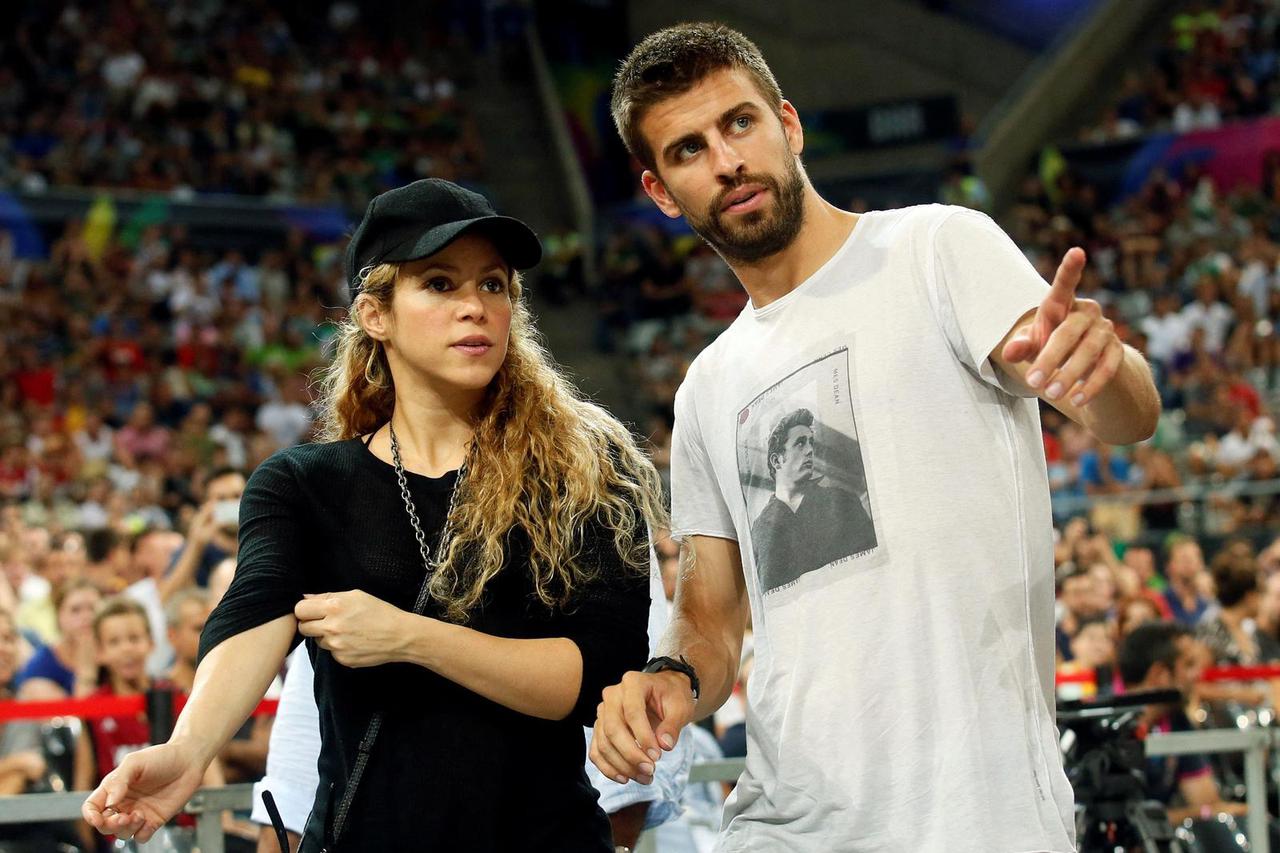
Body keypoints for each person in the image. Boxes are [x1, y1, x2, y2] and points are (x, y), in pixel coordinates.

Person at [591, 23, 1160, 852]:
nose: (726, 160)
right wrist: (670, 674)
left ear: (787, 125)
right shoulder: (707, 387)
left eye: (740, 124)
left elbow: (1125, 415)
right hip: (787, 818)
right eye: (689, 148)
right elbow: (710, 614)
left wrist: (1105, 372)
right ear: (662, 191)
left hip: (975, 812)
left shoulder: (937, 248)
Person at [83, 178, 667, 852]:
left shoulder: (585, 468)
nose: (474, 307)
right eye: (440, 284)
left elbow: (597, 668)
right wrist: (188, 749)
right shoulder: (304, 483)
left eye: (494, 285)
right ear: (375, 313)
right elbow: (253, 614)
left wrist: (410, 637)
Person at [1118, 621, 1246, 823]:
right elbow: (1121, 823)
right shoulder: (1107, 729)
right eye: (1188, 665)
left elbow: (1207, 802)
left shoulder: (1175, 719)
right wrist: (1198, 813)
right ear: (1159, 674)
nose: (1197, 675)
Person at [750, 407, 874, 590]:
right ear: (777, 461)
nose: (809, 450)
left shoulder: (844, 502)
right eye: (800, 443)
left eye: (811, 442)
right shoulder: (760, 530)